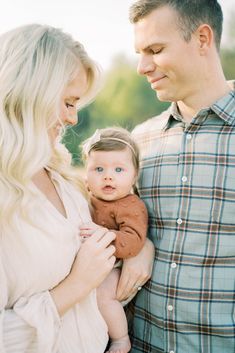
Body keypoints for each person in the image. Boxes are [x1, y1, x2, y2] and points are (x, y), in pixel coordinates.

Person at [0, 24, 154, 353]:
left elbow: (107, 229)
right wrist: (75, 286)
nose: (73, 119)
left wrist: (141, 249)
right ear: (31, 93)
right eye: (69, 102)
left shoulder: (62, 178)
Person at [125, 1, 235, 352]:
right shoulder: (136, 145)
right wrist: (139, 246)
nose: (142, 67)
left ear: (203, 38)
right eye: (140, 53)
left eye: (155, 50)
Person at [80, 127, 149, 353]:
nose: (108, 176)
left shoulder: (131, 206)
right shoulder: (83, 198)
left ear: (134, 175)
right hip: (91, 261)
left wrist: (105, 235)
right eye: (98, 169)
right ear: (86, 173)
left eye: (119, 169)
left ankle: (120, 338)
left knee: (103, 296)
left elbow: (134, 242)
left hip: (116, 263)